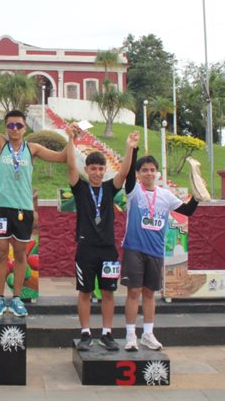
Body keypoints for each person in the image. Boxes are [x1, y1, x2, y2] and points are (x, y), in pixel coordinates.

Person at [0, 101, 67, 317]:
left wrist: (72, 138)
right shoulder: (0, 144)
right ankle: (0, 299)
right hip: (0, 210)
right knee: (0, 255)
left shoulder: (33, 149)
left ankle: (17, 298)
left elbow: (61, 157)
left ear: (25, 128)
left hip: (23, 210)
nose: (15, 129)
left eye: (18, 125)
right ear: (5, 128)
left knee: (20, 255)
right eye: (10, 125)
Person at [66, 124, 139, 351]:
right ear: (86, 169)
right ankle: (85, 332)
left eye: (100, 168)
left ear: (104, 170)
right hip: (86, 249)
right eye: (93, 168)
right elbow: (70, 164)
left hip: (108, 250)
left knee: (108, 292)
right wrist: (70, 139)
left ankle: (107, 333)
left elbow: (125, 172)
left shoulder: (109, 188)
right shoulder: (79, 188)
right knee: (85, 291)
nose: (97, 172)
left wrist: (129, 148)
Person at [121, 155, 199, 351]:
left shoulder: (165, 195)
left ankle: (148, 334)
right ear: (138, 174)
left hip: (156, 251)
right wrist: (133, 148)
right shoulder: (133, 191)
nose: (149, 173)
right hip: (134, 248)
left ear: (157, 173)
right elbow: (128, 174)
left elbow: (188, 211)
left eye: (152, 170)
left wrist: (197, 196)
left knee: (149, 293)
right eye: (144, 170)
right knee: (133, 292)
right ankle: (130, 335)